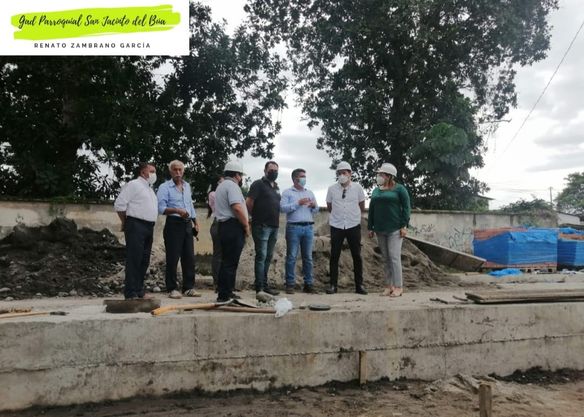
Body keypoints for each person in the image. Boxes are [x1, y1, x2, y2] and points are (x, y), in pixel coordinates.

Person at [114, 162, 158, 300]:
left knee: (144, 259)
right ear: (143, 172)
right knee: (134, 258)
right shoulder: (134, 185)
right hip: (136, 224)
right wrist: (125, 221)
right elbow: (119, 205)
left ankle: (139, 290)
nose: (154, 174)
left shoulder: (150, 189)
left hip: (149, 226)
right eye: (151, 171)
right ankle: (130, 292)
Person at [157, 160, 200, 299]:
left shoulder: (187, 186)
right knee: (173, 257)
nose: (178, 172)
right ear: (170, 171)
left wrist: (195, 222)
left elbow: (190, 205)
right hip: (173, 223)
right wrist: (176, 210)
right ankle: (172, 288)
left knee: (189, 257)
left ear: (183, 171)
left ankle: (188, 287)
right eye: (175, 170)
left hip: (187, 224)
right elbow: (161, 208)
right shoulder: (164, 187)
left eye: (180, 170)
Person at [368, 163, 411, 297]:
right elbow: (372, 209)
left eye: (381, 174)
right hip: (380, 229)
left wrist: (404, 226)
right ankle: (388, 286)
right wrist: (370, 227)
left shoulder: (400, 189)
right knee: (385, 258)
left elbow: (406, 208)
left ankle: (398, 286)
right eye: (378, 174)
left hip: (395, 229)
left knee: (394, 257)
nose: (379, 177)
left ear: (389, 176)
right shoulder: (376, 191)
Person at [325, 161, 368, 295]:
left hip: (353, 225)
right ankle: (333, 285)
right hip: (337, 225)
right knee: (334, 255)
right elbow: (329, 206)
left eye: (344, 173)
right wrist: (338, 216)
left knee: (356, 255)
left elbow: (361, 205)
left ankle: (359, 285)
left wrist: (354, 216)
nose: (342, 175)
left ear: (350, 174)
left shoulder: (357, 188)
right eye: (339, 173)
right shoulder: (332, 189)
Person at [215, 160, 250, 302]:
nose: (241, 178)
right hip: (233, 226)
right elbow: (236, 207)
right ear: (237, 175)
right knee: (230, 262)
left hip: (224, 226)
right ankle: (224, 295)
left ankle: (226, 292)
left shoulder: (221, 186)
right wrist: (246, 225)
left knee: (226, 261)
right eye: (240, 175)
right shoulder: (233, 186)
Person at [280, 168, 320, 294]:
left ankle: (308, 284)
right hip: (293, 228)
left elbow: (316, 210)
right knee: (292, 257)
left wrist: (314, 206)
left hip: (308, 227)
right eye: (302, 176)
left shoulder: (310, 193)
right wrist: (298, 203)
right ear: (295, 178)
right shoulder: (287, 192)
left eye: (305, 176)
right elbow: (283, 208)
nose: (304, 179)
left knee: (308, 257)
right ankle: (290, 284)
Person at [246, 161, 281, 296]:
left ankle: (264, 285)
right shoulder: (258, 184)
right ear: (265, 171)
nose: (274, 172)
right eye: (271, 170)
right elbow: (249, 203)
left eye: (276, 170)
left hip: (274, 226)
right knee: (261, 256)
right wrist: (254, 216)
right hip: (261, 225)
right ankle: (259, 287)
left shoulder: (276, 187)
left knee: (269, 256)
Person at [207, 175, 224, 289]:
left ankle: (224, 280)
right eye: (221, 182)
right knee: (218, 254)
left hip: (224, 224)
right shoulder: (213, 194)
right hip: (218, 223)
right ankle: (217, 281)